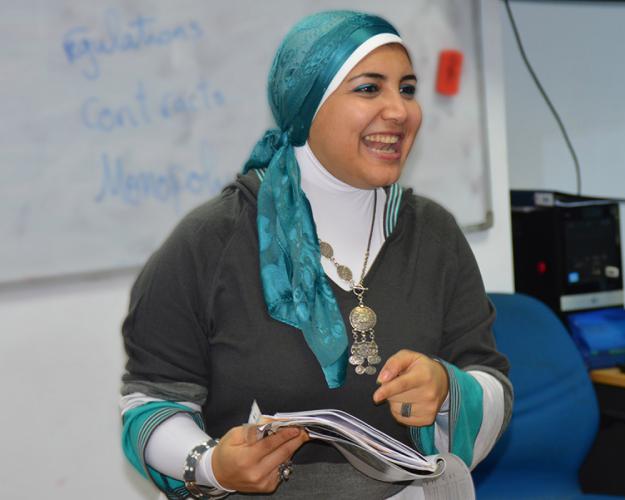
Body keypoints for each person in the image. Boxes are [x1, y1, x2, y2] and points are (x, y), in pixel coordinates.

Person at [120, 10, 512, 500]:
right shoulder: (210, 241)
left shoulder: (434, 235)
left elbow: (490, 380)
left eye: (407, 89)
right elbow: (150, 403)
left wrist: (449, 390)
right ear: (307, 103)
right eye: (370, 88)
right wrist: (211, 465)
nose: (399, 110)